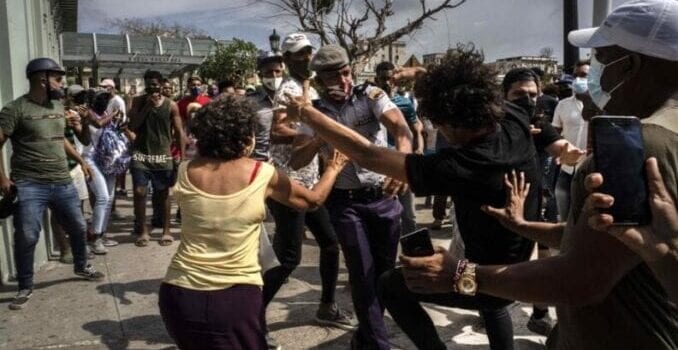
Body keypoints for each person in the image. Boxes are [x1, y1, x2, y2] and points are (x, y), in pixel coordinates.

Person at [368, 2, 678, 349]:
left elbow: (581, 280)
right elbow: (616, 241)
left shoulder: (637, 146)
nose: (594, 73)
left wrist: (461, 275)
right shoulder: (660, 136)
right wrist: (524, 226)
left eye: (603, 58)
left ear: (630, 66)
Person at [283, 45, 543, 350]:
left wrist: (306, 114)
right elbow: (462, 86)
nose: (441, 133)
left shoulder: (461, 166)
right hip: (513, 261)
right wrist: (419, 72)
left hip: (487, 278)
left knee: (392, 285)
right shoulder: (511, 116)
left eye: (441, 126)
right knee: (491, 306)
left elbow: (368, 154)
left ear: (454, 124)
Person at [158, 95, 348, 350]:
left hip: (178, 293)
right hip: (234, 298)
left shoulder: (185, 170)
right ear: (247, 136)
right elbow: (312, 201)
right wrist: (333, 168)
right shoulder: (262, 173)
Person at [290, 44, 413, 350]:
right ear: (319, 80)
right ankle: (377, 344)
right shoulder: (314, 111)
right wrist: (323, 133)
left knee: (384, 275)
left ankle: (366, 336)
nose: (343, 80)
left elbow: (400, 128)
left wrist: (402, 167)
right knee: (361, 272)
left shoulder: (370, 95)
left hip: (383, 197)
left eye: (345, 72)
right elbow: (297, 160)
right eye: (333, 76)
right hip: (345, 203)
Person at [260, 43, 355, 348]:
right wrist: (319, 130)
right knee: (289, 258)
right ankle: (251, 317)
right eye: (299, 54)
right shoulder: (288, 86)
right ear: (287, 58)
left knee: (329, 244)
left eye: (308, 52)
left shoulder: (306, 85)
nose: (306, 58)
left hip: (311, 180)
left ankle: (327, 307)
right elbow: (277, 131)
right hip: (287, 181)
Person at [0, 58, 105, 310]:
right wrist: (3, 178)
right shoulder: (15, 109)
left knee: (79, 227)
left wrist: (81, 160)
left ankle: (81, 266)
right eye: (58, 78)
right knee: (27, 234)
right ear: (42, 79)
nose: (62, 83)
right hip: (28, 184)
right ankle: (25, 285)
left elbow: (60, 140)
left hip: (61, 180)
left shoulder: (58, 106)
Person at [128, 70, 186, 247]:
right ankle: (143, 230)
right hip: (141, 154)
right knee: (139, 192)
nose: (151, 87)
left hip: (162, 154)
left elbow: (178, 132)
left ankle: (166, 231)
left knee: (163, 194)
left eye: (154, 83)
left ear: (161, 84)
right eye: (148, 83)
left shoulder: (171, 105)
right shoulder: (138, 101)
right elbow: (133, 126)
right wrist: (147, 107)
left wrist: (181, 158)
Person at [375, 61, 423, 234]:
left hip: (403, 164)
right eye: (383, 79)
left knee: (409, 215)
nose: (387, 83)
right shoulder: (369, 102)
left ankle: (414, 253)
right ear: (376, 79)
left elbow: (416, 126)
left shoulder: (404, 103)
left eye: (390, 78)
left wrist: (418, 148)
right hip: (379, 167)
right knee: (384, 215)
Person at [552, 60, 590, 221]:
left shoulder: (604, 105)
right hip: (567, 168)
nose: (578, 79)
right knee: (564, 213)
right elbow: (555, 132)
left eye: (584, 75)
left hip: (590, 168)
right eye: (576, 75)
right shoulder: (562, 105)